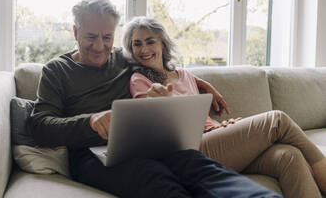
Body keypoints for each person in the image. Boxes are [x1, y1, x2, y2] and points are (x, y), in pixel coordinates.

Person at [28, 0, 281, 198]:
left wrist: (202, 83)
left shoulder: (122, 58)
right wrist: (92, 121)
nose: (99, 46)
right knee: (156, 180)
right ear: (75, 32)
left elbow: (163, 69)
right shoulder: (56, 70)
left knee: (203, 168)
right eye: (91, 37)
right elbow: (39, 126)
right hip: (91, 154)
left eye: (107, 37)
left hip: (146, 143)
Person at [121, 16, 326, 198]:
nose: (144, 49)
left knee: (289, 156)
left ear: (163, 44)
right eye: (137, 44)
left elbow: (199, 113)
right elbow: (149, 118)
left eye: (150, 41)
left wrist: (223, 127)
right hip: (191, 150)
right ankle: (323, 169)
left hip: (216, 137)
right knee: (277, 120)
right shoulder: (139, 80)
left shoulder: (184, 75)